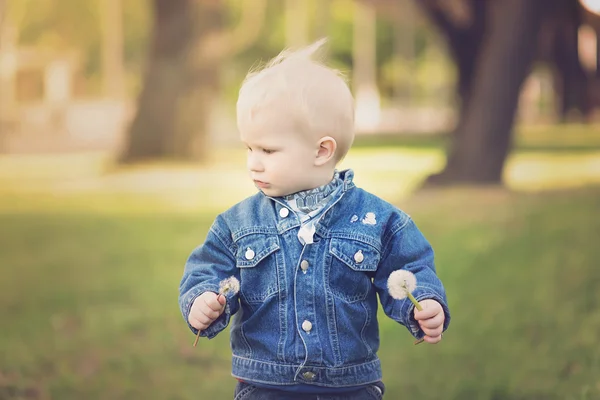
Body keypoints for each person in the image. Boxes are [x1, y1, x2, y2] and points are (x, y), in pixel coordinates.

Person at [179, 39, 451, 400]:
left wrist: (426, 304)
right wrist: (202, 301)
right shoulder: (238, 223)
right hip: (266, 386)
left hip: (350, 386)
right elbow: (206, 271)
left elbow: (409, 269)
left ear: (322, 150)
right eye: (249, 148)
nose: (253, 162)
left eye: (268, 149)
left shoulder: (377, 221)